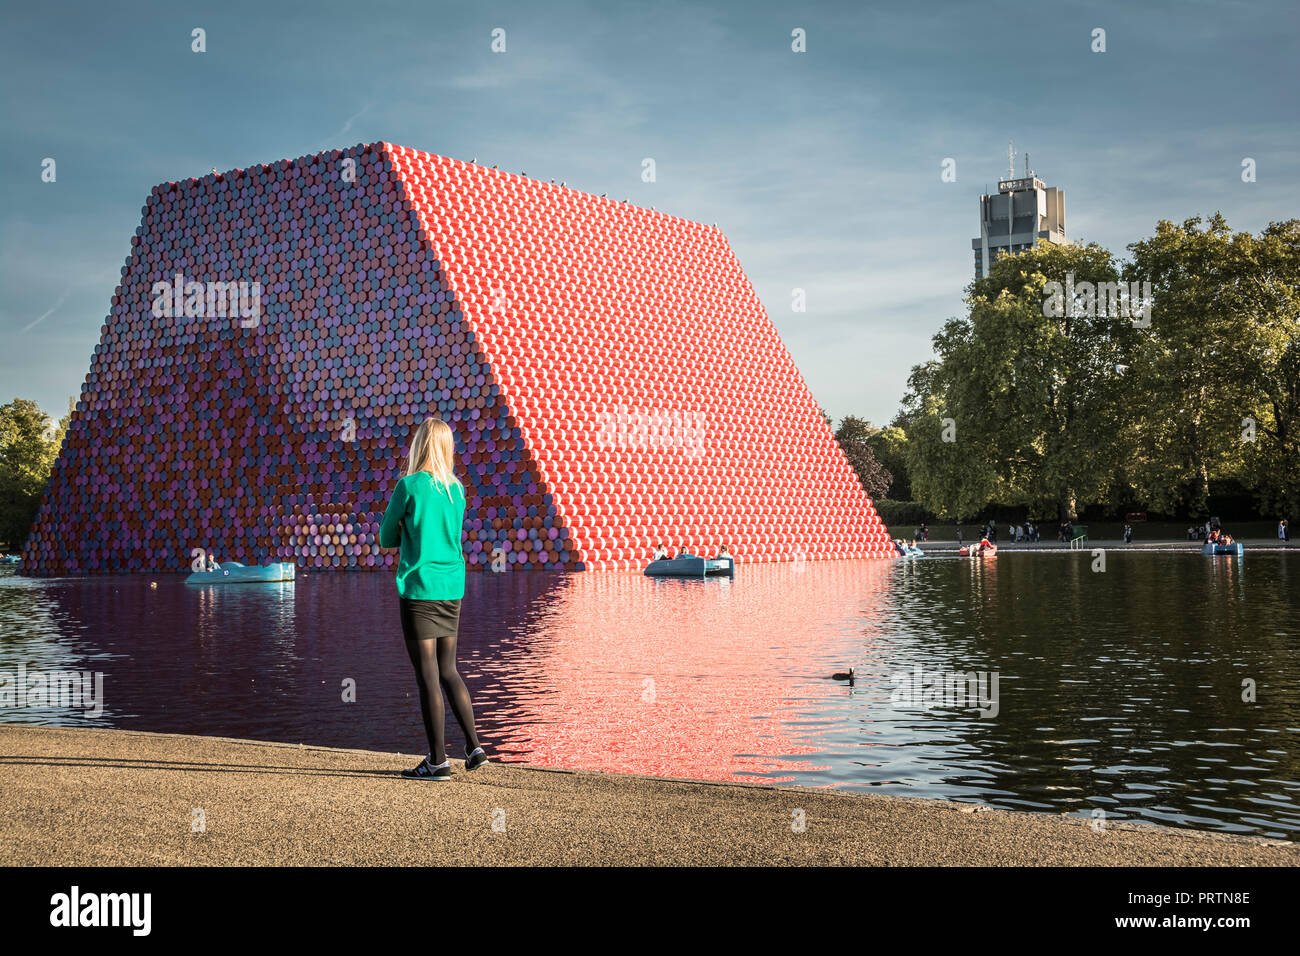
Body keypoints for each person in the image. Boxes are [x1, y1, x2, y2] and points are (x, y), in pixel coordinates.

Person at [380, 418, 487, 782]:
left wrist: (406, 529)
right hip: (451, 589)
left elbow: (385, 538)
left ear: (418, 446)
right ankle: (474, 746)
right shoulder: (457, 490)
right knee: (449, 670)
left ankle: (438, 761)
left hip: (420, 589)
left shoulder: (407, 487)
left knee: (427, 675)